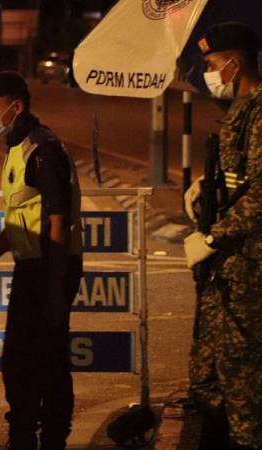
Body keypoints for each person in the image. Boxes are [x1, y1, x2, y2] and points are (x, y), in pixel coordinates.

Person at [0, 71, 83, 450]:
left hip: (51, 266)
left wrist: (56, 286)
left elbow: (57, 219)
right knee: (23, 360)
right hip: (34, 266)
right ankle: (24, 432)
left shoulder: (42, 149)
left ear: (16, 107)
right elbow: (21, 217)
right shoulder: (18, 146)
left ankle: (49, 437)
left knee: (47, 359)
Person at [183, 22, 262, 450]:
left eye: (213, 65)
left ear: (235, 63)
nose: (210, 73)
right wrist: (204, 190)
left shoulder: (261, 112)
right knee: (211, 370)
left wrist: (215, 237)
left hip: (249, 263)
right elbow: (241, 182)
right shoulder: (242, 110)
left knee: (242, 372)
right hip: (231, 265)